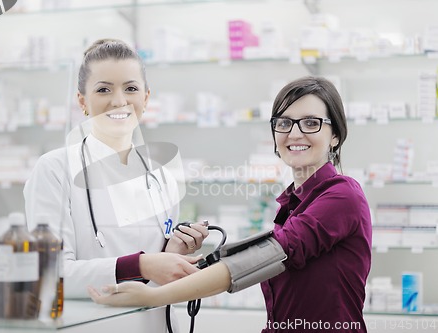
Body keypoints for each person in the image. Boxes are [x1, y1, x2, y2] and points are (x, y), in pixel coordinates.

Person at [88, 76, 373, 333]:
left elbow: (272, 254)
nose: (295, 134)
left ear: (335, 135)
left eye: (311, 123)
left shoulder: (342, 195)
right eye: (284, 123)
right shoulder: (291, 204)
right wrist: (180, 259)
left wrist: (153, 297)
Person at [23, 38, 209, 306]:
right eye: (103, 90)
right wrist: (140, 265)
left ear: (145, 98)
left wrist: (176, 251)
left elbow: (157, 280)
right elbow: (50, 274)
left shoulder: (162, 178)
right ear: (82, 101)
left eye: (131, 88)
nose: (119, 101)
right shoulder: (55, 169)